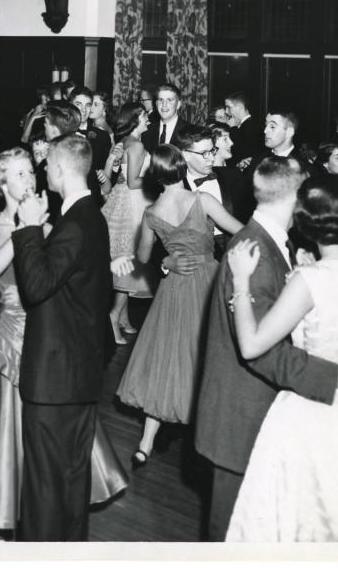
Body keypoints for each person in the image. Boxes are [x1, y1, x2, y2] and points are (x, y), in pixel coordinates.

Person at [0, 148, 128, 540]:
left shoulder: (52, 224)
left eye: (30, 173)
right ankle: (5, 516)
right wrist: (24, 229)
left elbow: (63, 274)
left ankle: (42, 525)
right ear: (2, 184)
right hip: (7, 340)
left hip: (48, 338)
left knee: (48, 448)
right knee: (6, 436)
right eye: (19, 175)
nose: (29, 181)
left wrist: (103, 263)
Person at [194, 156, 338, 541]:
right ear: (294, 196)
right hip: (241, 422)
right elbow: (260, 351)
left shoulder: (270, 243)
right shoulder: (253, 250)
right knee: (231, 539)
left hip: (249, 417)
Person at [12, 134, 113, 541]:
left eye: (45, 164)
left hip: (56, 377)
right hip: (79, 371)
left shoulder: (74, 224)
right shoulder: (92, 215)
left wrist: (29, 228)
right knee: (70, 483)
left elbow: (36, 286)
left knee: (43, 491)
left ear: (58, 169)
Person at [116, 145, 242, 467]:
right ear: (182, 168)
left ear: (156, 176)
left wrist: (167, 261)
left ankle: (145, 445)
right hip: (208, 282)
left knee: (167, 363)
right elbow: (239, 231)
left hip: (173, 289)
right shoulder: (202, 201)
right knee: (207, 358)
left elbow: (143, 258)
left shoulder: (152, 212)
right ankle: (210, 439)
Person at [100, 103, 156, 343]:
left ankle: (122, 318)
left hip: (122, 198)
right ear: (135, 120)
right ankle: (113, 316)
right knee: (129, 261)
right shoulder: (138, 145)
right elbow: (133, 182)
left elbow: (112, 175)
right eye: (144, 117)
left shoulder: (122, 142)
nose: (148, 120)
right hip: (134, 201)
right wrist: (156, 178)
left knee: (126, 259)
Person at [175, 125, 253, 260]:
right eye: (205, 153)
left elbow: (250, 217)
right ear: (185, 155)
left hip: (237, 250)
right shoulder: (175, 189)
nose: (211, 158)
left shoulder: (234, 176)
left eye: (212, 151)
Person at [141, 83, 191, 153]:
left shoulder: (189, 132)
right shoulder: (147, 132)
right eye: (161, 100)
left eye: (169, 100)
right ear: (156, 104)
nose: (164, 105)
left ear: (178, 105)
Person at [224, 92, 263, 170]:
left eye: (228, 107)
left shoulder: (252, 126)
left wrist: (233, 129)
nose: (226, 111)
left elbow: (245, 154)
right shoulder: (245, 125)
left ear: (240, 107)